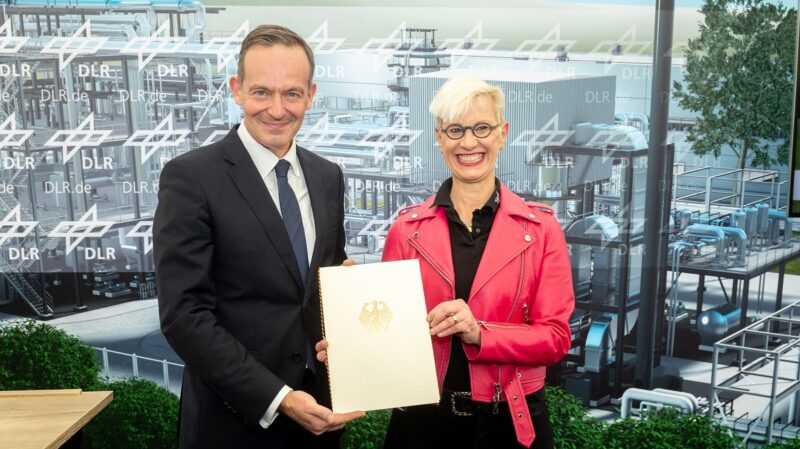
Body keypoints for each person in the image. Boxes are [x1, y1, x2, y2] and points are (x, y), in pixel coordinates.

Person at [319, 75, 574, 448]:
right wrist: (351, 341)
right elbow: (393, 338)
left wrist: (479, 333)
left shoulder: (542, 230)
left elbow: (555, 338)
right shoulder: (406, 230)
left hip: (509, 423)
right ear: (439, 138)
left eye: (481, 128)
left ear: (502, 134)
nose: (468, 142)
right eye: (455, 130)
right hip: (423, 423)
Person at [154, 24, 362, 449]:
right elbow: (184, 315)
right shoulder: (192, 177)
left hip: (320, 420)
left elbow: (317, 290)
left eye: (291, 93)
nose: (277, 109)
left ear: (311, 94)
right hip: (232, 424)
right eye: (261, 92)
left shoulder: (327, 176)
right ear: (236, 89)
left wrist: (347, 300)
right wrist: (279, 398)